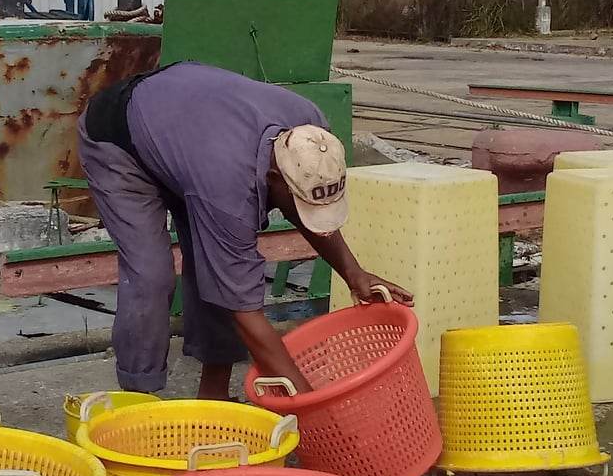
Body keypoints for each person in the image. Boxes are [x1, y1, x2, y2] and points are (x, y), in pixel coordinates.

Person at [77, 61, 407, 399]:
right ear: (273, 178)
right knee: (151, 274)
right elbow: (243, 309)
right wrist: (311, 405)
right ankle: (138, 397)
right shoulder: (227, 190)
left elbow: (300, 205)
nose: (300, 209)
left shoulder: (312, 131)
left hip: (186, 127)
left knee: (218, 270)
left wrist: (354, 274)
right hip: (119, 138)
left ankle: (214, 398)